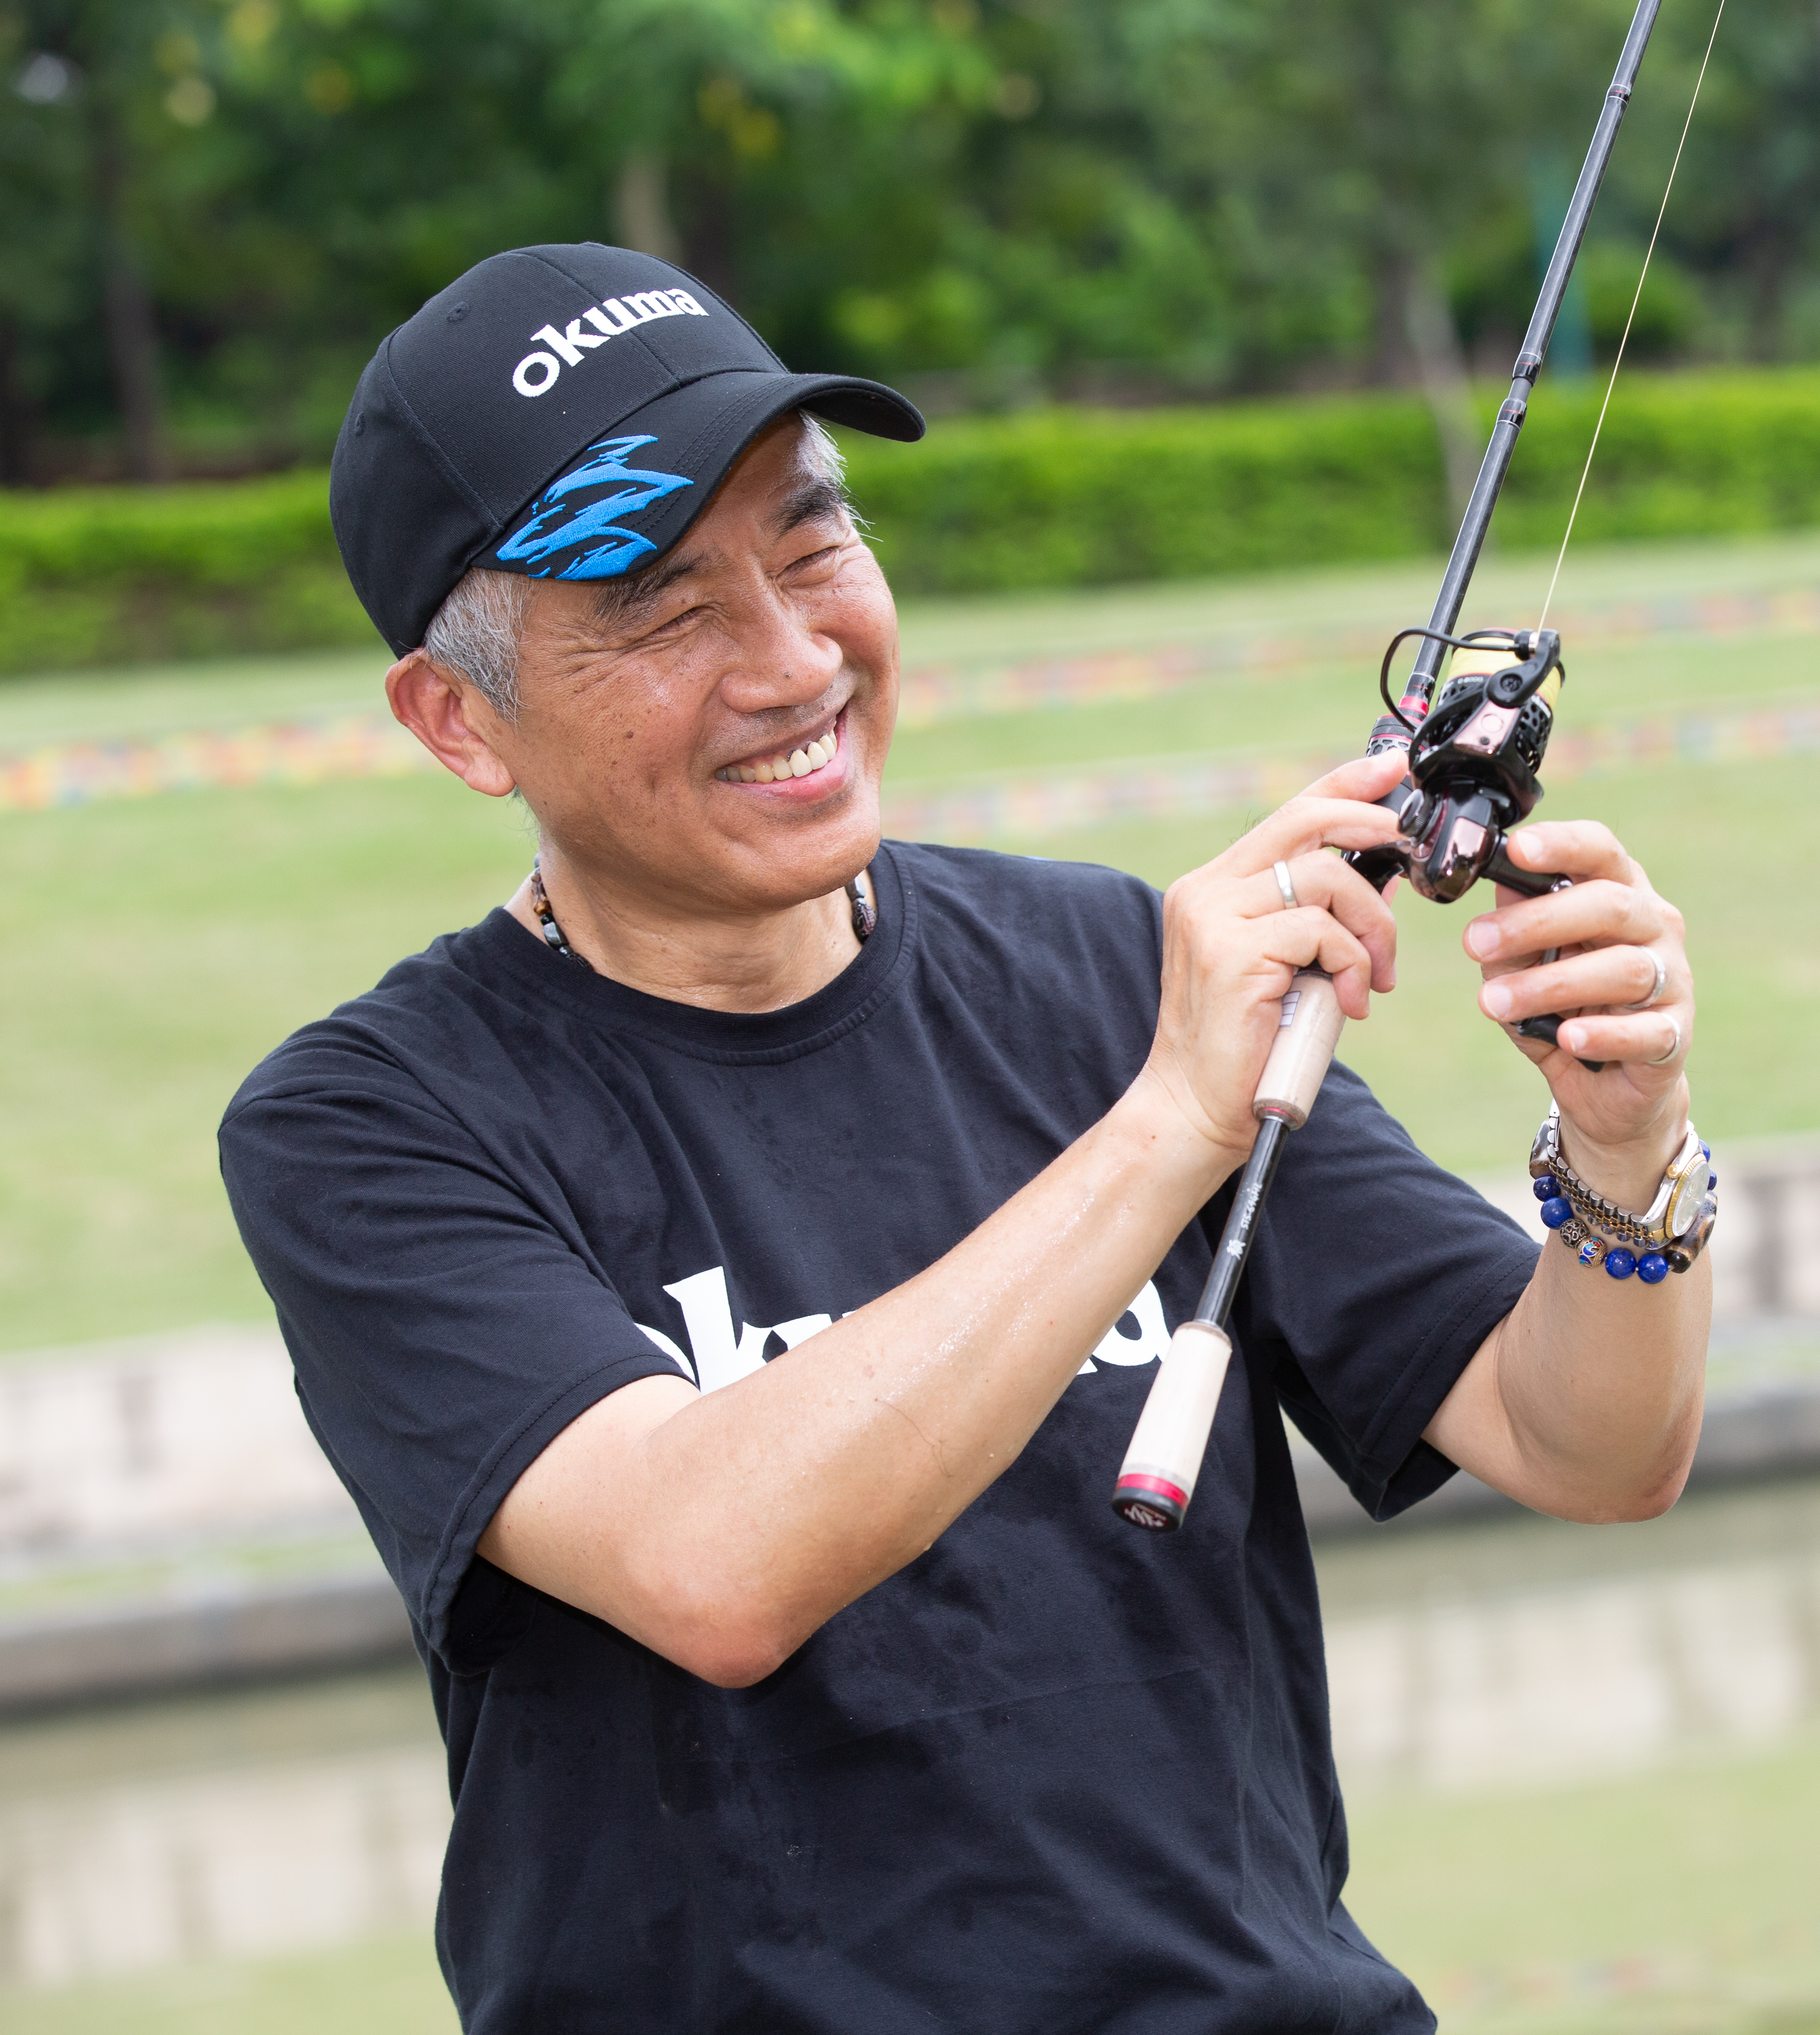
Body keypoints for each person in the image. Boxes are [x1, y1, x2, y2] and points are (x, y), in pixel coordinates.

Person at [220, 242, 1713, 2033]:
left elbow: (1587, 1439)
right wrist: (1171, 1116)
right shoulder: (375, 1125)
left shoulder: (1101, 965)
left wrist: (1627, 1151)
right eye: (664, 607)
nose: (791, 661)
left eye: (814, 543)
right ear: (462, 719)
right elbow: (713, 1567)